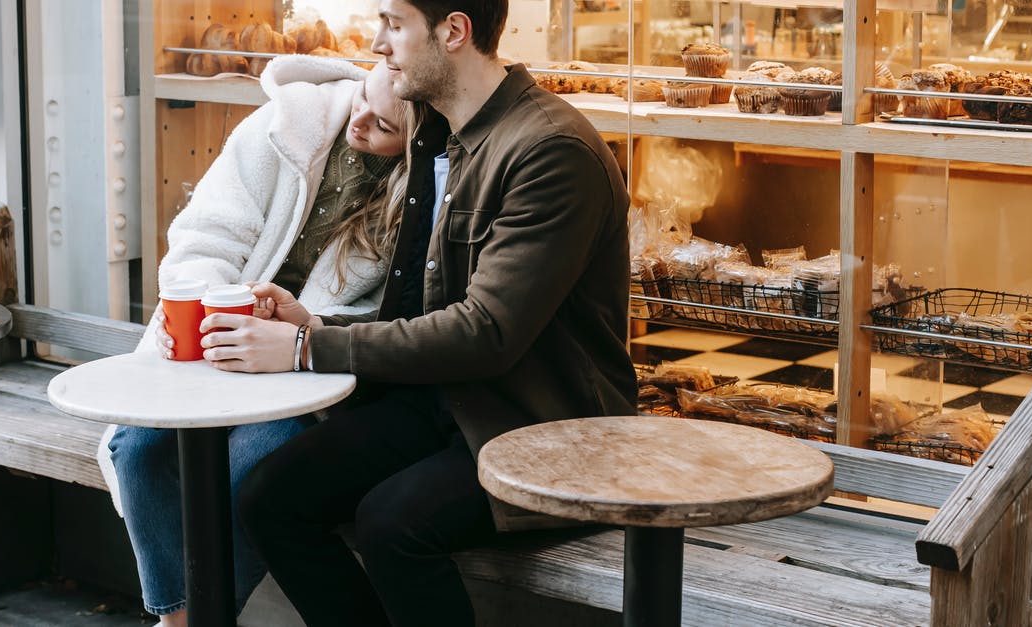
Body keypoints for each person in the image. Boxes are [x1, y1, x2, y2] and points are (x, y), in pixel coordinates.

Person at [195, 0, 637, 624]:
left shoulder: (551, 151)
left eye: (394, 25)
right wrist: (312, 324)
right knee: (270, 496)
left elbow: (486, 333)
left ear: (453, 31)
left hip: (545, 425)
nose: (377, 44)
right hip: (447, 402)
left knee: (391, 522)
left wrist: (303, 352)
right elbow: (418, 309)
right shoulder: (443, 135)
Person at [100, 55, 415, 626]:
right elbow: (204, 235)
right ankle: (179, 618)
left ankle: (202, 617)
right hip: (214, 341)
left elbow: (379, 316)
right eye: (364, 95)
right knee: (137, 449)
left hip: (306, 369)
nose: (360, 119)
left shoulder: (422, 189)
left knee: (250, 465)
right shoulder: (287, 125)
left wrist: (292, 339)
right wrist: (198, 312)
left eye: (385, 126)